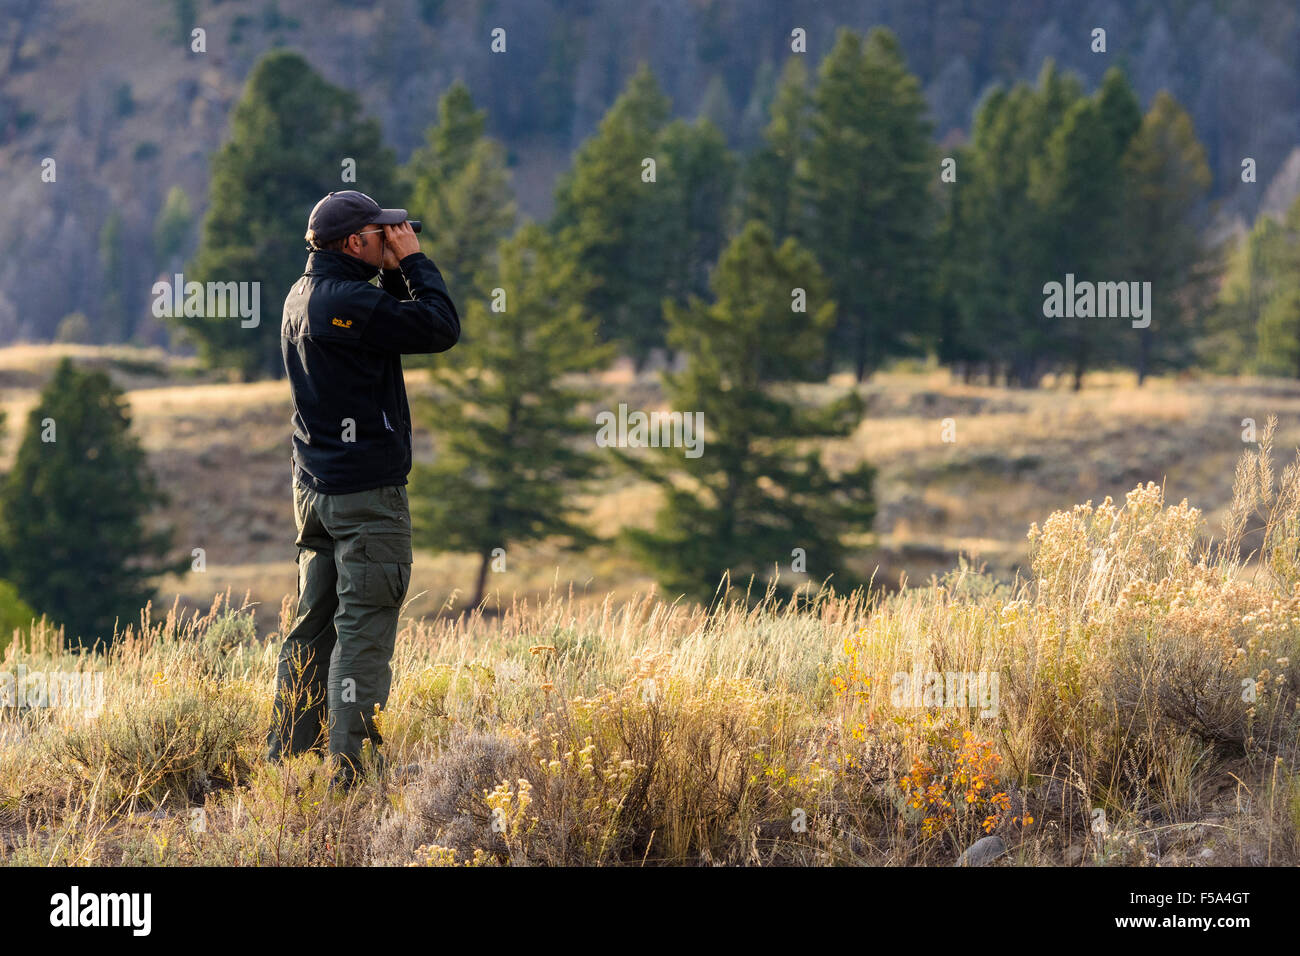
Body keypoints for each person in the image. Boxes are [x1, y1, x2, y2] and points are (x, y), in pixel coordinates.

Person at [267, 189, 460, 789]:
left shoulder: (303, 294)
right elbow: (439, 328)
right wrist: (415, 265)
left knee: (313, 626)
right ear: (356, 242)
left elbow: (393, 327)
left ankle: (291, 764)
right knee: (364, 632)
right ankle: (353, 779)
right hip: (365, 499)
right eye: (384, 232)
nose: (394, 238)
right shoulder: (350, 300)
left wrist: (393, 266)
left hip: (315, 489)